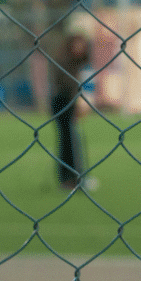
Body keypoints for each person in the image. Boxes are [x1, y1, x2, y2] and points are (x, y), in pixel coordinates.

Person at [50, 32, 93, 191]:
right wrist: (78, 102)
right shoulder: (64, 62)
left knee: (74, 140)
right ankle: (69, 178)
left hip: (72, 102)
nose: (79, 48)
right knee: (67, 141)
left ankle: (76, 176)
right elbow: (66, 85)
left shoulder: (81, 63)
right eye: (77, 44)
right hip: (62, 102)